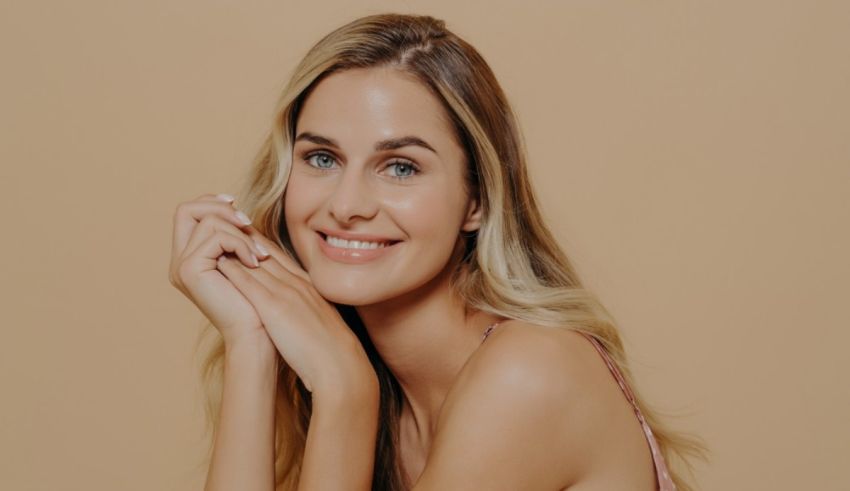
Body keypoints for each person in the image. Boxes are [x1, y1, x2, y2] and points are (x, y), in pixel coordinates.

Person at [168, 12, 707, 491]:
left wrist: (345, 389)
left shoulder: (530, 372)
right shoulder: (384, 391)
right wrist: (250, 344)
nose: (346, 205)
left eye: (400, 167)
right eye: (322, 158)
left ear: (476, 199)